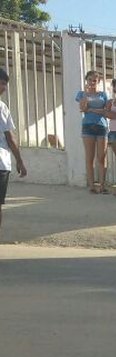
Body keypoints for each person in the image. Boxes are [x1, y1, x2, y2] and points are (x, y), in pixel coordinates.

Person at [0, 68, 28, 235]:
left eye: (5, 84)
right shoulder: (1, 107)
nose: (4, 87)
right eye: (2, 83)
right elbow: (10, 136)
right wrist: (20, 160)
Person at [76, 71, 110, 194]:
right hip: (88, 126)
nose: (92, 82)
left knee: (101, 157)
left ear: (98, 81)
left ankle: (102, 184)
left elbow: (106, 111)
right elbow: (83, 108)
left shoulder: (103, 95)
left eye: (94, 80)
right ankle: (91, 185)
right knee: (89, 157)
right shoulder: (81, 94)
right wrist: (86, 93)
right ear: (87, 80)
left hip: (101, 126)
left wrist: (91, 109)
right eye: (90, 80)